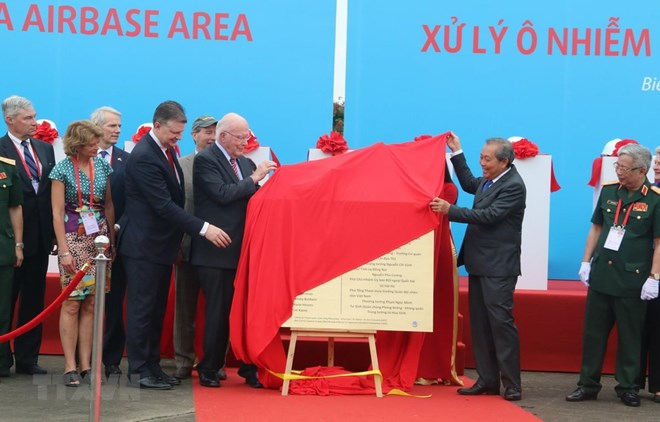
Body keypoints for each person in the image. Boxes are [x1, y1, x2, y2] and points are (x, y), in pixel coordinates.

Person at [117, 101, 231, 390]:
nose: (177, 138)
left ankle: (153, 367)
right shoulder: (144, 156)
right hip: (143, 245)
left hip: (161, 247)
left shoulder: (166, 151)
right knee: (142, 310)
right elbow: (163, 205)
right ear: (157, 125)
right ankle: (139, 370)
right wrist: (204, 228)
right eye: (174, 132)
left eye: (181, 133)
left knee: (156, 310)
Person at [430, 134, 526, 401]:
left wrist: (450, 210)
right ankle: (487, 380)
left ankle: (512, 384)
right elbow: (471, 183)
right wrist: (457, 152)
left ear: (504, 161)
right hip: (479, 264)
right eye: (481, 157)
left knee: (501, 325)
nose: (482, 163)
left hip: (499, 268)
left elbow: (490, 216)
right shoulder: (489, 180)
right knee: (481, 326)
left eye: (487, 159)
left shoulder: (514, 185)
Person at [567, 143, 660, 407]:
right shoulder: (608, 192)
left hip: (633, 279)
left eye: (625, 168)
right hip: (602, 275)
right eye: (617, 166)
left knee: (631, 336)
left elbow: (659, 241)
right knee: (593, 334)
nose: (619, 172)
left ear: (642, 170)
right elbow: (597, 228)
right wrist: (586, 261)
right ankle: (587, 384)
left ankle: (628, 387)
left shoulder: (655, 199)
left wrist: (654, 276)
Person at [190, 112, 276, 388]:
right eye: (241, 137)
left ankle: (249, 368)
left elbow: (256, 198)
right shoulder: (206, 161)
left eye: (247, 137)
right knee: (218, 311)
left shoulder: (246, 162)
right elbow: (223, 194)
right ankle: (209, 367)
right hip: (216, 251)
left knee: (246, 313)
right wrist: (254, 179)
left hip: (244, 250)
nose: (245, 142)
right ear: (223, 136)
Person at [50, 120, 115, 386]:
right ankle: (69, 366)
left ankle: (87, 364)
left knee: (91, 303)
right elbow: (56, 212)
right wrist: (63, 251)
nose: (96, 147)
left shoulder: (102, 165)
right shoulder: (62, 169)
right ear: (77, 145)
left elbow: (109, 204)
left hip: (98, 240)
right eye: (91, 144)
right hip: (72, 239)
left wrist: (111, 238)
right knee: (72, 303)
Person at [0, 95, 55, 376]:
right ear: (10, 120)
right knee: (4, 301)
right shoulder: (0, 149)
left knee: (34, 302)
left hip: (41, 239)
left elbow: (49, 196)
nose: (35, 122)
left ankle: (27, 358)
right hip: (9, 241)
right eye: (28, 118)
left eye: (35, 116)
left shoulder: (45, 150)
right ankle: (1, 360)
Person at [173, 115, 217, 381]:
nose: (211, 137)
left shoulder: (227, 165)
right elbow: (175, 208)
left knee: (216, 309)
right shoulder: (180, 166)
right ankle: (182, 361)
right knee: (184, 309)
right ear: (194, 134)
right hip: (187, 247)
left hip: (217, 250)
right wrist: (176, 243)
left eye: (215, 132)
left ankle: (214, 362)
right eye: (207, 132)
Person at [90, 106, 130, 379]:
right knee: (85, 303)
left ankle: (112, 359)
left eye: (118, 126)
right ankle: (85, 358)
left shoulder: (127, 160)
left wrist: (115, 228)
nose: (117, 130)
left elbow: (134, 201)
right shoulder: (82, 158)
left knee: (114, 304)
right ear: (97, 128)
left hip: (119, 241)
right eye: (111, 126)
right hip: (85, 240)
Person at [416, 162, 462, 386]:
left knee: (438, 306)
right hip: (415, 251)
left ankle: (435, 367)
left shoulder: (448, 189)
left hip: (439, 250)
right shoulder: (414, 185)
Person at [638, 146, 660, 403]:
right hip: (647, 266)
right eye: (656, 162)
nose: (656, 167)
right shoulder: (650, 193)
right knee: (646, 325)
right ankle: (635, 381)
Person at [0, 155, 24, 380]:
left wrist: (18, 244)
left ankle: (1, 362)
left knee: (2, 310)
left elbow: (15, 207)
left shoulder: (6, 167)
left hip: (2, 250)